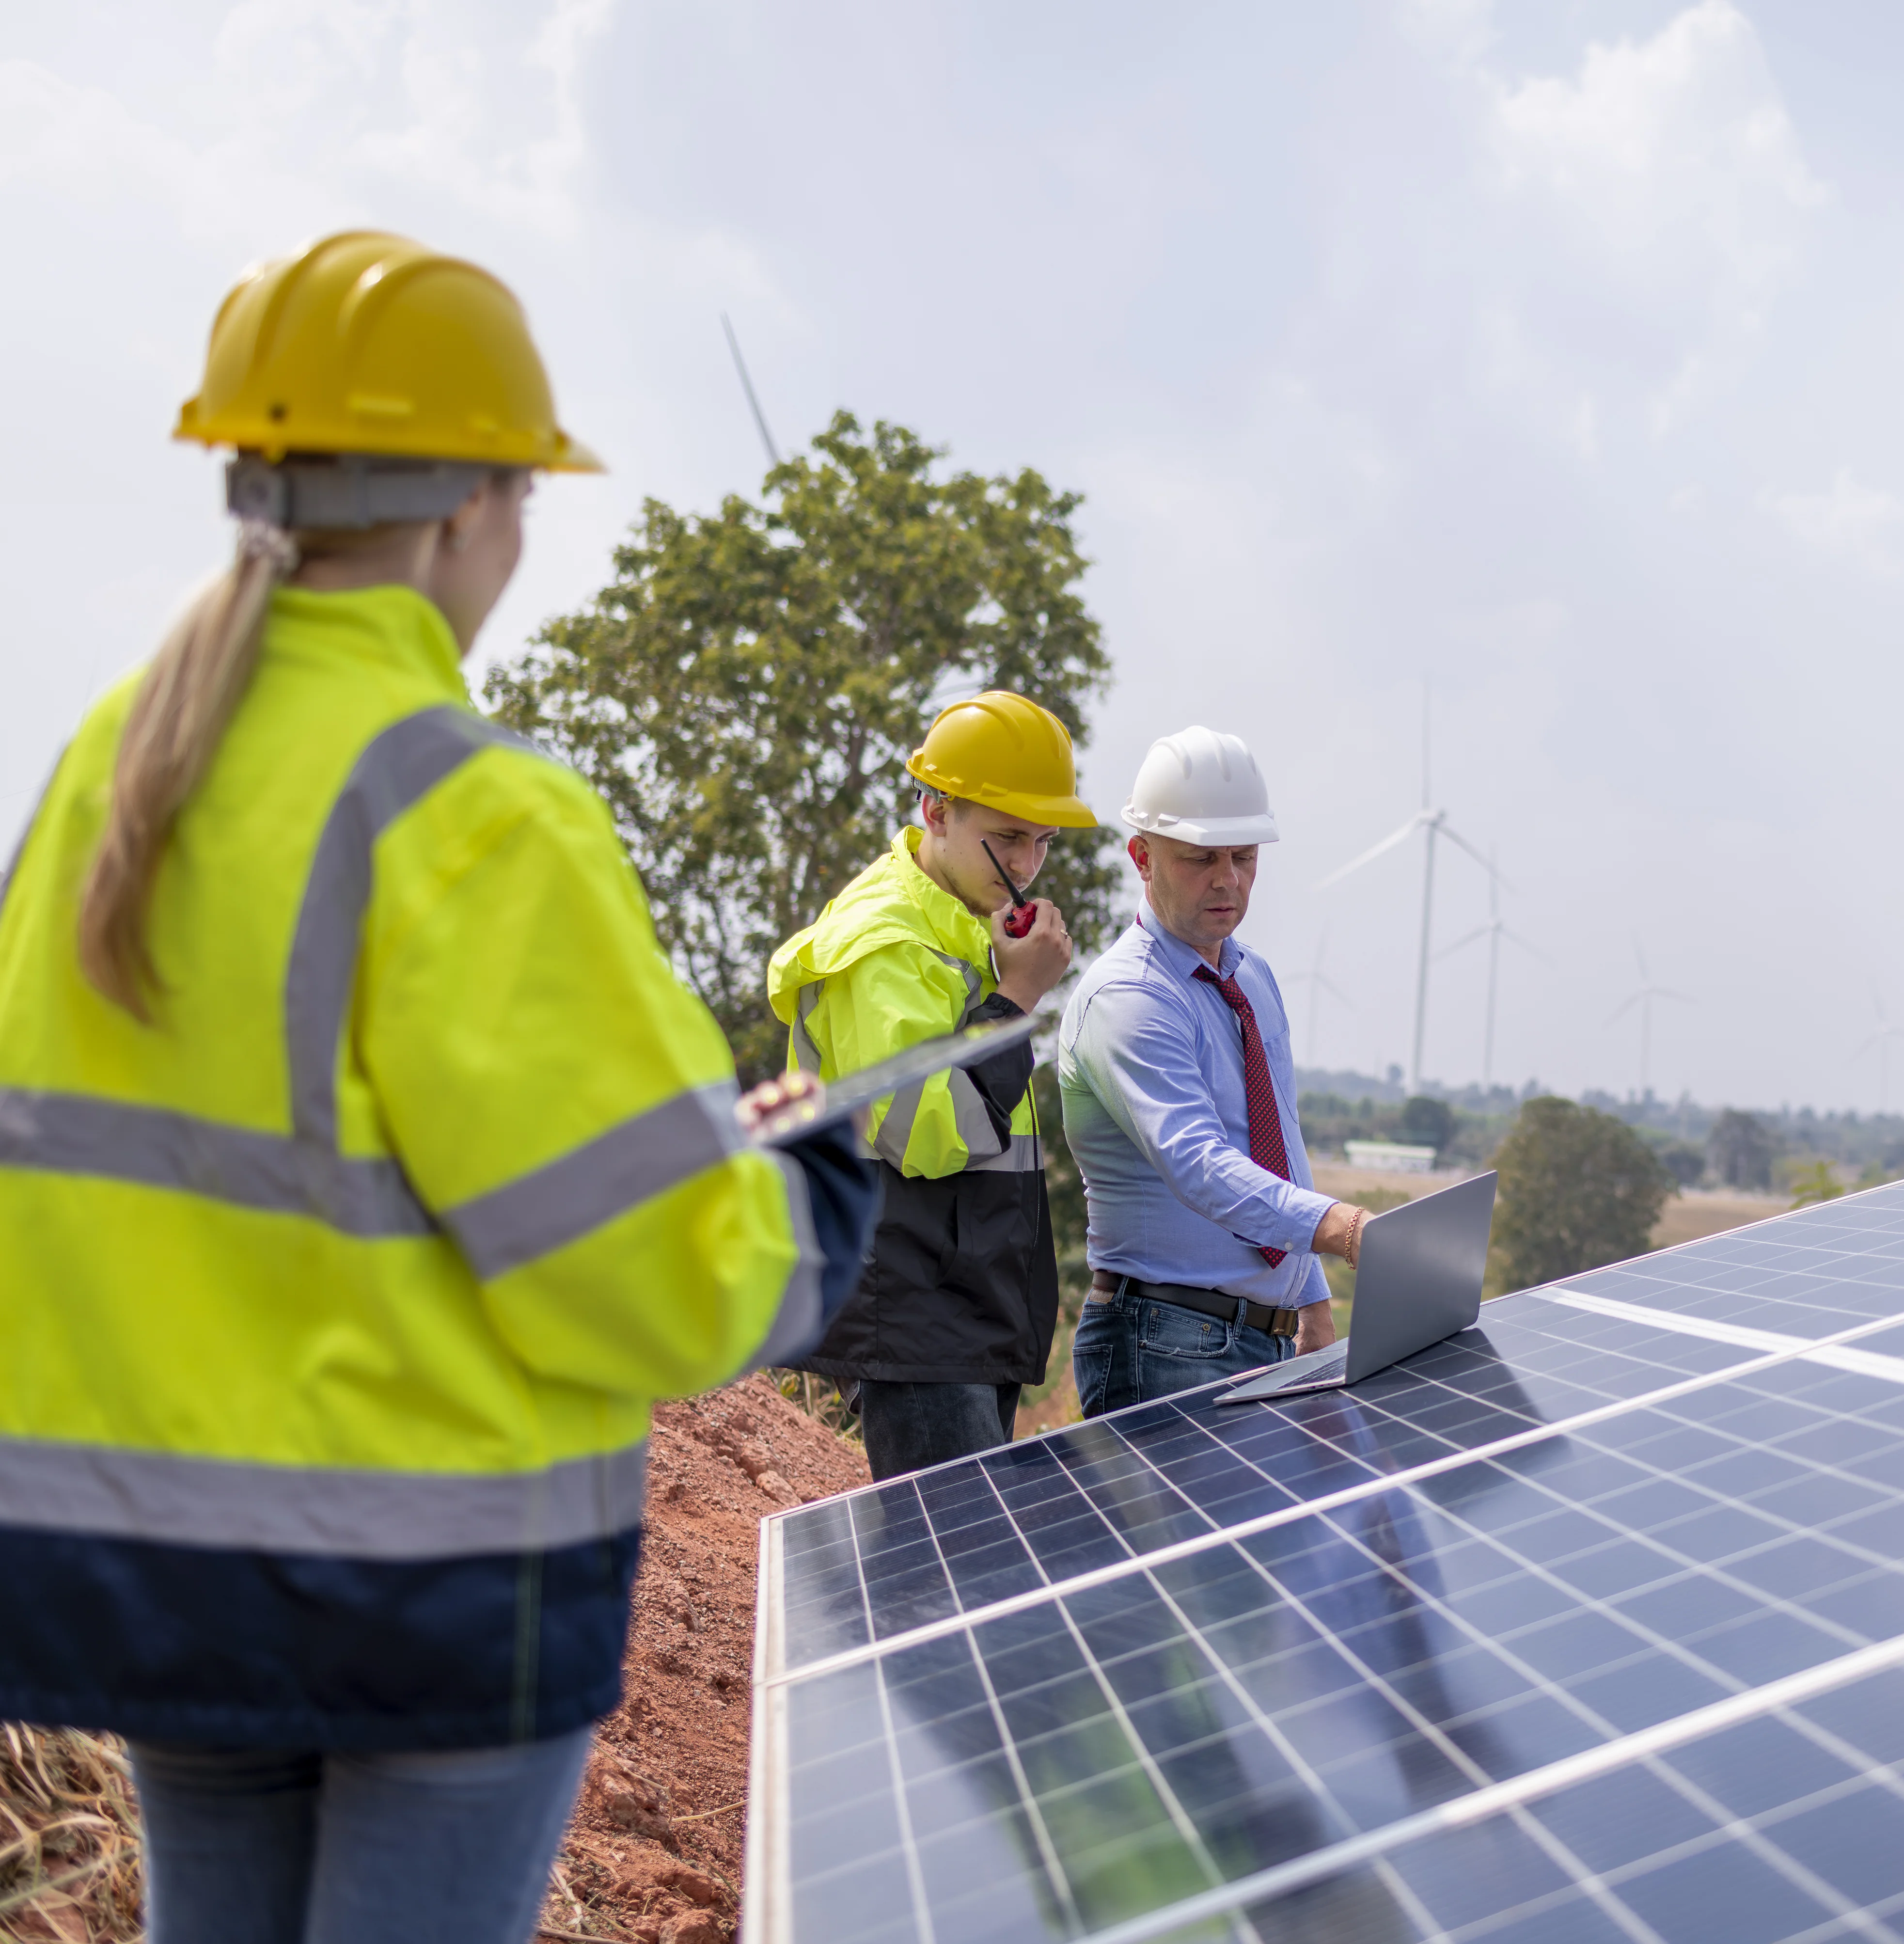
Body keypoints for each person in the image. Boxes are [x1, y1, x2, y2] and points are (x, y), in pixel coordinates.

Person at [0, 232, 881, 1944]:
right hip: (424, 1599)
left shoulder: (112, 764)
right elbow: (653, 1280)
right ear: (470, 505)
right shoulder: (471, 812)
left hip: (151, 1581)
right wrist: (813, 1186)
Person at [766, 692, 1088, 1480]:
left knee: (959, 1575)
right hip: (914, 1324)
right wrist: (1017, 1001)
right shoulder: (885, 942)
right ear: (934, 811)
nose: (1024, 866)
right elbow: (928, 1134)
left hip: (957, 1320)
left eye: (1041, 842)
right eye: (1006, 837)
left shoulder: (959, 926)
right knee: (951, 1583)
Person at [1060, 726, 1374, 1413]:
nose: (1228, 879)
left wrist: (1312, 1299)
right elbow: (1200, 1162)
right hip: (1163, 1340)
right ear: (1142, 856)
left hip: (1259, 1338)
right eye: (1200, 858)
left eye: (1243, 856)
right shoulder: (1129, 998)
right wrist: (1344, 1227)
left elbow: (1278, 1141)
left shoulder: (1249, 975)